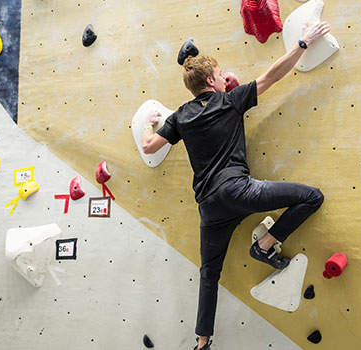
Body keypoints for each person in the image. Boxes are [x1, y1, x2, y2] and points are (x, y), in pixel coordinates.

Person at [141, 21, 330, 350]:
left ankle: (202, 342)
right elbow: (272, 75)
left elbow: (149, 147)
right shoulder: (229, 101)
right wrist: (302, 43)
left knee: (209, 273)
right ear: (212, 80)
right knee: (312, 197)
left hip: (210, 208)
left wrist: (149, 124)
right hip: (239, 190)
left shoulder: (180, 118)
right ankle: (265, 245)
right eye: (219, 73)